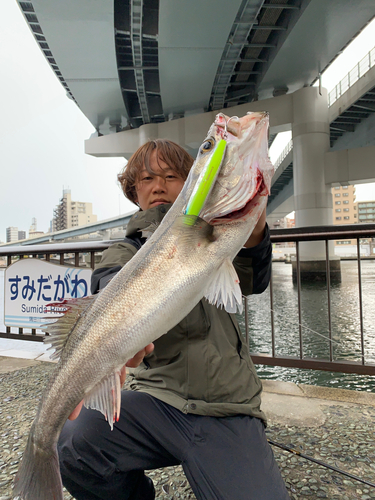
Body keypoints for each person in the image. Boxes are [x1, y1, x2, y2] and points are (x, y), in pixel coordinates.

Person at [58, 139, 290, 500]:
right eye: (148, 178)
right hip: (157, 401)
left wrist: (255, 229)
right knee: (75, 441)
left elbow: (252, 279)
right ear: (135, 191)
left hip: (227, 405)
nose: (159, 185)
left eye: (171, 176)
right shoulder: (126, 251)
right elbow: (108, 285)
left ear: (191, 183)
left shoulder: (211, 233)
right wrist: (119, 339)